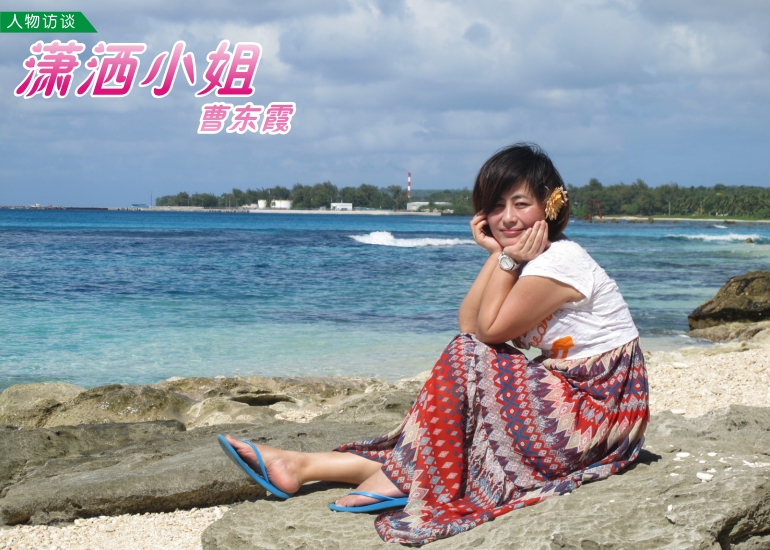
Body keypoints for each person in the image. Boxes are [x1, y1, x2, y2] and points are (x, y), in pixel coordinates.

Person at [219, 143, 649, 546]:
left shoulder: (559, 261)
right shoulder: (529, 258)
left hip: (595, 416)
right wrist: (497, 255)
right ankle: (302, 466)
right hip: (577, 402)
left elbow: (486, 334)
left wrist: (506, 258)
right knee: (461, 395)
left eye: (521, 204)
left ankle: (394, 479)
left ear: (551, 206)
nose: (507, 217)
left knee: (467, 357)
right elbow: (470, 324)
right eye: (495, 206)